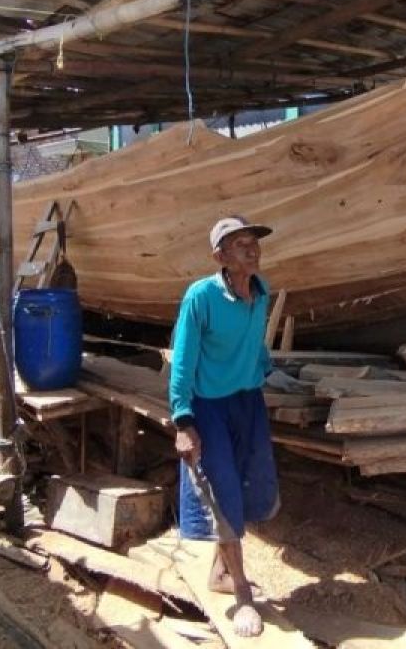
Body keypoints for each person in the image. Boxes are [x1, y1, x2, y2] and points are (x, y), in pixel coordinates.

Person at [169, 215, 279, 637]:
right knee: (222, 489)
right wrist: (183, 418)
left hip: (248, 402)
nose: (252, 249)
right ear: (220, 256)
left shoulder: (261, 291)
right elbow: (183, 359)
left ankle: (220, 571)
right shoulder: (201, 296)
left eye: (254, 241)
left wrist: (271, 369)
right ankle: (242, 597)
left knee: (250, 485)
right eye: (239, 244)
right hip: (209, 406)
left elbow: (255, 344)